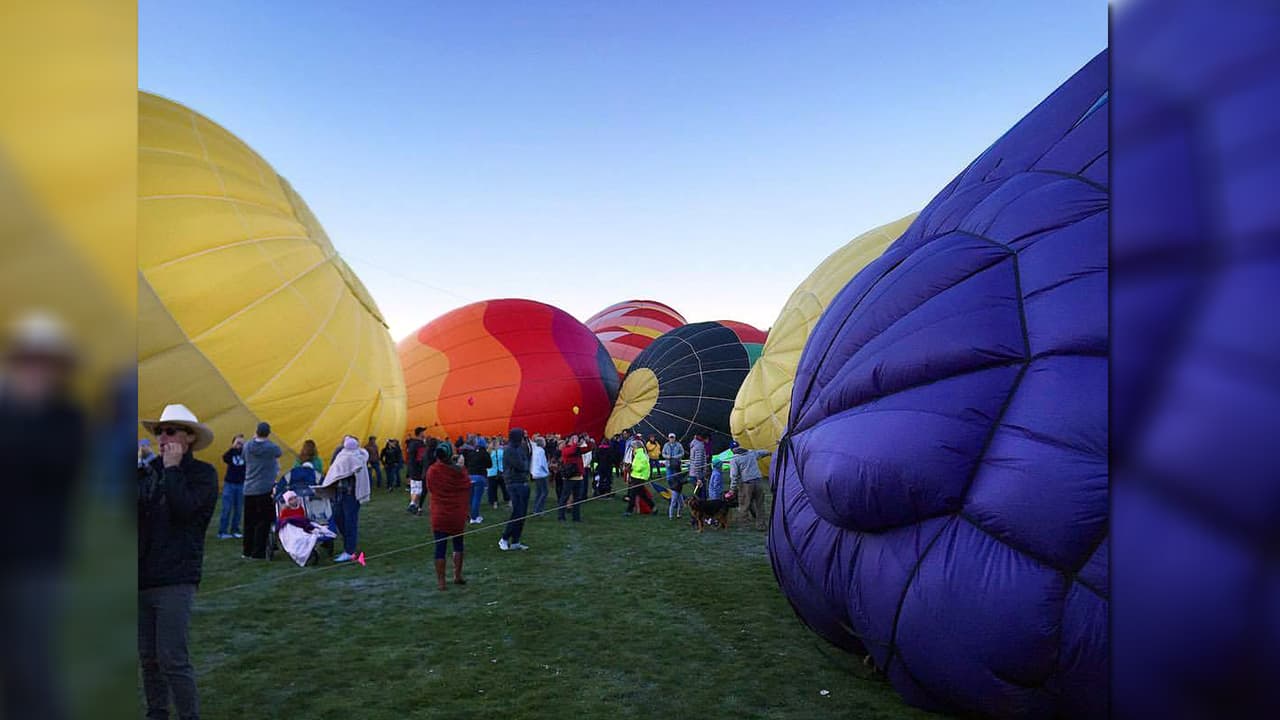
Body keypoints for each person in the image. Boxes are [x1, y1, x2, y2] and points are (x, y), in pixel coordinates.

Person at [1, 312, 86, 720]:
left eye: (41, 362)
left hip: (36, 557)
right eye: (27, 361)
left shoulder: (66, 419)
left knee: (31, 663)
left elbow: (50, 467)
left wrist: (24, 411)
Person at [138, 403, 218, 720]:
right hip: (142, 575)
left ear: (189, 437)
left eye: (170, 430)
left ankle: (188, 715)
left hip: (176, 576)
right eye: (160, 431)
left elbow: (186, 511)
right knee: (148, 657)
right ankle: (157, 711)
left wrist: (172, 470)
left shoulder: (203, 475)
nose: (162, 437)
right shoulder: (149, 470)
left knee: (172, 656)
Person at [318, 436, 371, 562]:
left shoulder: (357, 457)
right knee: (338, 518)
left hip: (350, 495)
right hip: (340, 494)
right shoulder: (342, 455)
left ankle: (350, 551)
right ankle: (348, 544)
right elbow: (335, 470)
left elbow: (352, 471)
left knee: (350, 522)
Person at [426, 446, 471, 589]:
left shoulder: (432, 471)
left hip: (440, 514)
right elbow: (467, 485)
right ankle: (457, 576)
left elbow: (431, 489)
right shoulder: (459, 472)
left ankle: (441, 582)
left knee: (440, 547)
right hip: (456, 514)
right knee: (458, 544)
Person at [241, 421, 282, 559]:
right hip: (265, 488)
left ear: (256, 431)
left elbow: (243, 458)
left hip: (249, 488)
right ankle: (258, 552)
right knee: (263, 521)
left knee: (249, 522)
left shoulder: (247, 446)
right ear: (268, 433)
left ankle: (247, 551)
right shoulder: (271, 447)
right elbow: (279, 452)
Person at [498, 428, 532, 551]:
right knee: (517, 513)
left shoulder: (520, 448)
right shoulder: (510, 450)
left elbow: (527, 460)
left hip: (522, 482)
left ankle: (516, 541)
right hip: (514, 483)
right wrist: (525, 464)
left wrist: (525, 463)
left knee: (522, 514)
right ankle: (504, 538)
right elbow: (521, 465)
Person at [729, 443, 772, 531]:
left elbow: (734, 476)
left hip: (746, 484)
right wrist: (769, 452)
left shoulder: (734, 459)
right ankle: (761, 526)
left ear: (732, 450)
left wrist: (732, 489)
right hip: (759, 482)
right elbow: (762, 452)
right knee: (760, 505)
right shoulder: (751, 453)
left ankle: (744, 527)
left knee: (744, 505)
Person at [217, 434, 246, 539]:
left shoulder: (245, 453)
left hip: (241, 484)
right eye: (238, 442)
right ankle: (222, 531)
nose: (240, 444)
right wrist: (233, 448)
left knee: (238, 509)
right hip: (229, 484)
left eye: (242, 442)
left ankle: (235, 530)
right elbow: (225, 458)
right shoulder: (231, 453)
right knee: (227, 508)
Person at [557, 434, 590, 522]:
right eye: (574, 439)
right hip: (569, 478)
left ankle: (576, 517)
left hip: (578, 477)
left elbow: (587, 449)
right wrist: (575, 443)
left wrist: (587, 441)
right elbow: (571, 451)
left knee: (577, 498)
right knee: (564, 497)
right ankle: (561, 516)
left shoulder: (577, 449)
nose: (576, 440)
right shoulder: (566, 449)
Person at [461, 435, 492, 524]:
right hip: (480, 476)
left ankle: (472, 516)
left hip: (470, 476)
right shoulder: (484, 453)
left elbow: (466, 464)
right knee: (477, 498)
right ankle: (475, 517)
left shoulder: (471, 453)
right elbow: (490, 465)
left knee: (471, 497)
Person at [624, 437, 652, 516]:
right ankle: (653, 507)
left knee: (633, 494)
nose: (632, 449)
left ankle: (629, 511)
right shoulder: (638, 454)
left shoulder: (641, 455)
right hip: (636, 476)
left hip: (639, 477)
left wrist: (632, 468)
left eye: (633, 447)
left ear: (636, 447)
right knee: (642, 494)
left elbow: (640, 467)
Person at [662, 432, 686, 519]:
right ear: (668, 438)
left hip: (676, 464)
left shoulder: (678, 445)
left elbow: (682, 453)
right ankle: (671, 490)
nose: (671, 439)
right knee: (669, 478)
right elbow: (663, 453)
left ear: (675, 438)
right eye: (670, 437)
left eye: (673, 437)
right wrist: (667, 456)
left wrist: (676, 457)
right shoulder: (666, 445)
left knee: (676, 477)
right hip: (669, 465)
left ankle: (676, 514)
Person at [530, 436, 551, 515]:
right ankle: (538, 509)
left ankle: (536, 508)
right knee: (544, 492)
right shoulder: (541, 451)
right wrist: (547, 471)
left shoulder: (535, 450)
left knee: (539, 492)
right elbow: (542, 463)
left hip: (535, 473)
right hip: (541, 474)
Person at [488, 437, 509, 509]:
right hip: (501, 472)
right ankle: (508, 500)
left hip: (491, 473)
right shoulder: (501, 452)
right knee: (504, 487)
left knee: (493, 489)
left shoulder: (489, 453)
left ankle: (494, 503)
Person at [688, 433, 709, 501]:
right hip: (697, 475)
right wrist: (699, 478)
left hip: (693, 474)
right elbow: (698, 463)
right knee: (702, 498)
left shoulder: (694, 443)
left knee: (698, 496)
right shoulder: (699, 446)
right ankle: (702, 511)